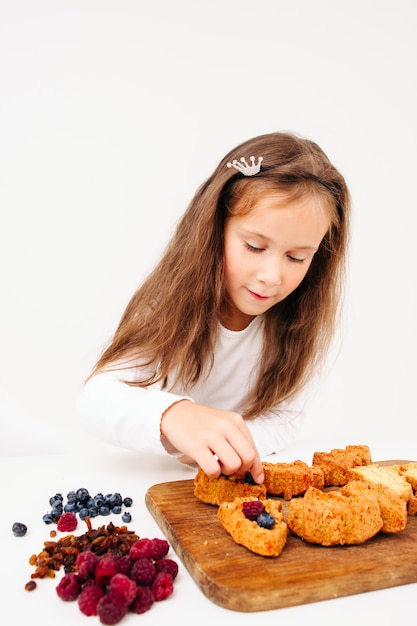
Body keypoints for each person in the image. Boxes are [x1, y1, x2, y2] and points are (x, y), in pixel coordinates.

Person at [77, 131, 350, 484]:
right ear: (214, 228)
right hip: (143, 483)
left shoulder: (297, 322)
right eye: (254, 246)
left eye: (296, 257)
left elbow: (285, 416)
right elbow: (95, 399)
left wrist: (231, 448)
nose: (271, 276)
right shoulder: (170, 305)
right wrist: (174, 417)